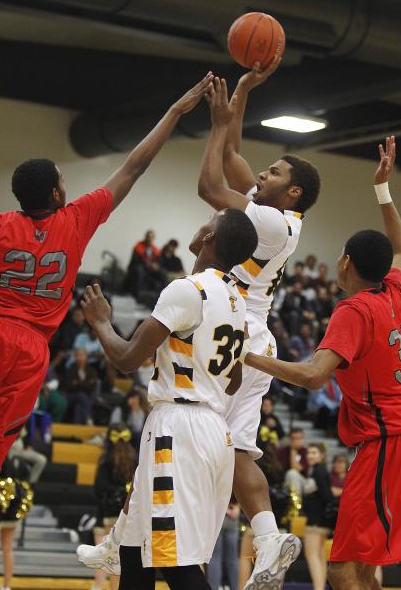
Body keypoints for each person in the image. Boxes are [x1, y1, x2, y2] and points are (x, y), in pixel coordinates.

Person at [0, 71, 214, 540]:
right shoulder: (76, 220)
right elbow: (134, 167)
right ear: (58, 195)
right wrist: (176, 112)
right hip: (31, 354)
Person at [238, 136, 401, 590]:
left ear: (344, 263)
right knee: (363, 568)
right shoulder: (393, 292)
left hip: (389, 441)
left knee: (342, 565)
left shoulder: (354, 309)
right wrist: (382, 190)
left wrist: (250, 356)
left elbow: (313, 375)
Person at [78, 207, 258, 590]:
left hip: (179, 428)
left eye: (207, 222)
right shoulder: (237, 300)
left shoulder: (186, 289)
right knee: (133, 551)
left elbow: (126, 359)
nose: (201, 224)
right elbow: (233, 378)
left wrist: (102, 322)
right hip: (211, 427)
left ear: (209, 239)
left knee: (175, 562)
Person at [198, 66, 320, 588]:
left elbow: (210, 181)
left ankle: (138, 540)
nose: (260, 175)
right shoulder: (277, 213)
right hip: (253, 335)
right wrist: (242, 95)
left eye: (272, 173)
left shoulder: (270, 220)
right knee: (239, 447)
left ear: (291, 192)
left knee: (180, 423)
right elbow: (234, 158)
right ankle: (269, 539)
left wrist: (215, 125)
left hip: (234, 332)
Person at [92, 424, 136, 590]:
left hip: (106, 512)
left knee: (102, 555)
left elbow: (99, 487)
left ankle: (98, 586)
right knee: (118, 558)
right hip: (127, 513)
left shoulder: (106, 458)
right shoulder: (135, 458)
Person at [302, 443, 333, 590]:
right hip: (319, 519)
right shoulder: (315, 470)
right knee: (319, 556)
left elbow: (327, 495)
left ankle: (318, 588)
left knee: (312, 555)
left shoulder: (319, 471)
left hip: (316, 520)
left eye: (314, 453)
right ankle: (319, 587)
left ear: (321, 455)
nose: (310, 455)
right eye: (309, 453)